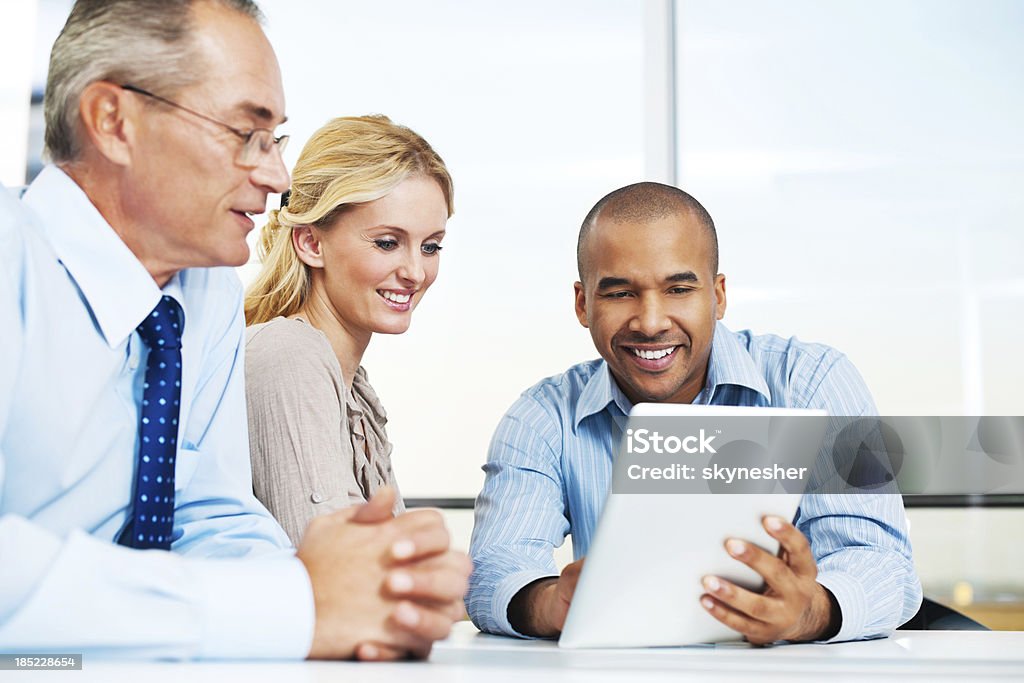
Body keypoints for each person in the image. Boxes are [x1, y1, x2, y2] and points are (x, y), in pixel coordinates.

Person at [0, 0, 468, 661]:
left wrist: (352, 595)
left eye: (275, 139)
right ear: (114, 122)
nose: (277, 176)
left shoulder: (205, 296)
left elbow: (212, 519)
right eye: (245, 133)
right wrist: (294, 604)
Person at [467, 182, 922, 644]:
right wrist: (552, 603)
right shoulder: (542, 417)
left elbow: (884, 566)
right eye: (620, 293)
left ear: (718, 296)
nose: (650, 322)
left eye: (679, 289)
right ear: (583, 304)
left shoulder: (815, 382)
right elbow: (494, 569)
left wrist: (810, 612)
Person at [243, 115, 453, 546]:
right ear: (311, 243)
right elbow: (337, 567)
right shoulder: (289, 355)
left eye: (430, 246)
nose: (415, 271)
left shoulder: (351, 384)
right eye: (387, 243)